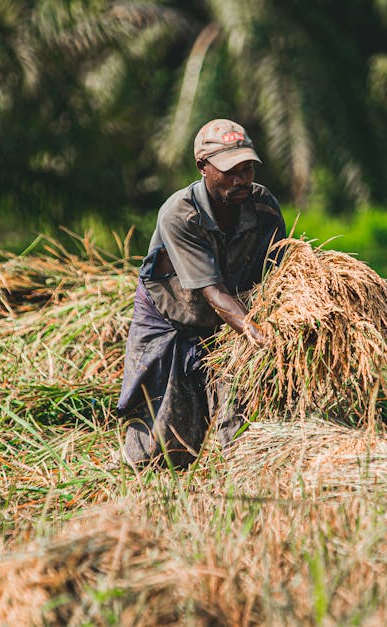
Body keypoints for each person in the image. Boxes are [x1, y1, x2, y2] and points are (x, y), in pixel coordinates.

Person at [116, 118, 286, 468]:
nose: (241, 179)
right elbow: (212, 291)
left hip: (231, 319)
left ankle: (247, 473)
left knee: (242, 413)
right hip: (171, 317)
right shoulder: (180, 215)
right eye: (230, 171)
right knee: (164, 442)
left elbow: (281, 273)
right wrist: (259, 334)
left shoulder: (264, 207)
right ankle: (144, 497)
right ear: (203, 168)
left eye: (247, 168)